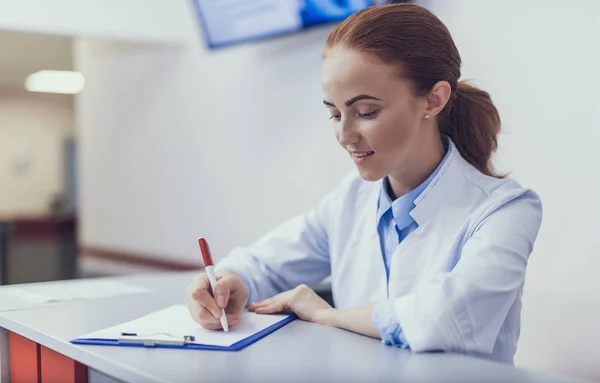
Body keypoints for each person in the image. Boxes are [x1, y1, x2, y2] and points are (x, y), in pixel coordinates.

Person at [186, 3, 542, 364]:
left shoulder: (505, 209)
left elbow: (446, 318)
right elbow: (265, 264)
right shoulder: (353, 198)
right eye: (334, 113)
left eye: (366, 112)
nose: (344, 135)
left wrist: (328, 315)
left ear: (433, 100)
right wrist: (229, 281)